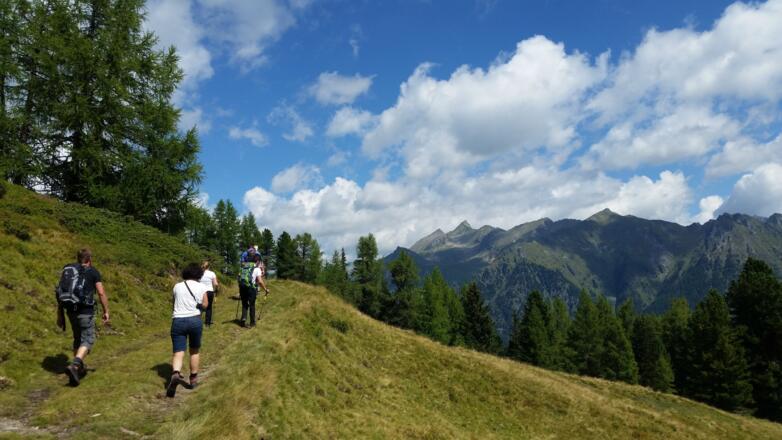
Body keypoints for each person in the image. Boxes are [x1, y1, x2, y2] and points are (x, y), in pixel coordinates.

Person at [56, 248, 110, 387]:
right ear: (89, 259)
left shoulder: (69, 270)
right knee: (88, 338)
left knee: (77, 338)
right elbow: (101, 293)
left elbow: (61, 291)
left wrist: (60, 315)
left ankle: (78, 370)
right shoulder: (93, 271)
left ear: (78, 258)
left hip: (70, 310)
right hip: (85, 311)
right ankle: (75, 366)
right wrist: (106, 311)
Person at [167, 263, 209, 398]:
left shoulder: (177, 286)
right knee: (194, 350)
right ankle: (193, 379)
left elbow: (174, 304)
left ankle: (175, 373)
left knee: (178, 352)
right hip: (194, 320)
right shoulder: (202, 287)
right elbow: (205, 304)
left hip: (178, 320)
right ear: (198, 274)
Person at [238, 254, 269, 328]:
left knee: (244, 303)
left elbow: (238, 277)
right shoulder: (257, 269)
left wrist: (240, 286)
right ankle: (252, 322)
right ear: (258, 261)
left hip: (242, 287)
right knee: (252, 305)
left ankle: (243, 318)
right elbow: (260, 281)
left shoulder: (244, 266)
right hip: (251, 288)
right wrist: (265, 289)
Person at [199, 261, 218, 327]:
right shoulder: (212, 273)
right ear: (209, 267)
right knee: (209, 307)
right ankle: (207, 323)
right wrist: (216, 292)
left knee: (200, 306)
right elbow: (215, 284)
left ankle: (198, 321)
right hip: (210, 291)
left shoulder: (200, 273)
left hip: (200, 291)